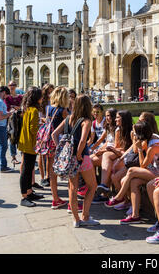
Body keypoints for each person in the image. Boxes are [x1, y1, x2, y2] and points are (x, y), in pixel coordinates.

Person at [105, 119, 159, 224]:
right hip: (156, 169)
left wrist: (140, 150)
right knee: (134, 182)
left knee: (131, 170)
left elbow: (142, 165)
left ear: (140, 134)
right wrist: (136, 143)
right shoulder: (150, 138)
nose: (133, 135)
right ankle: (135, 215)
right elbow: (135, 150)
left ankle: (119, 197)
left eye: (135, 133)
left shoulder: (153, 147)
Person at [52, 94, 99, 228]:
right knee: (92, 186)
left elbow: (54, 134)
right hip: (81, 158)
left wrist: (60, 151)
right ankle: (85, 216)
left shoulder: (68, 118)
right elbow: (83, 140)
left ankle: (76, 219)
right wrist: (78, 154)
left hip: (68, 158)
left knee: (72, 188)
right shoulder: (86, 121)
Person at [95, 110, 133, 200]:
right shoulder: (118, 129)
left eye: (117, 117)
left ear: (124, 119)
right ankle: (102, 188)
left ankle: (105, 188)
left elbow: (131, 148)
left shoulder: (131, 130)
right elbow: (116, 146)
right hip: (120, 153)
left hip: (127, 155)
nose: (115, 120)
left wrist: (114, 151)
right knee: (102, 158)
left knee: (107, 158)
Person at [18, 87, 44, 207]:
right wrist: (41, 127)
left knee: (28, 170)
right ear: (37, 98)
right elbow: (33, 130)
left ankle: (29, 192)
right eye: (41, 96)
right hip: (30, 145)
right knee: (27, 171)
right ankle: (24, 196)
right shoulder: (33, 110)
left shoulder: (27, 108)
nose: (42, 98)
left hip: (25, 142)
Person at [46, 86, 69, 209]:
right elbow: (69, 126)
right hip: (59, 143)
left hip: (49, 142)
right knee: (70, 171)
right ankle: (72, 201)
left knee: (52, 172)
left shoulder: (48, 108)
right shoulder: (63, 111)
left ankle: (55, 199)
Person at [38, 83, 54, 187]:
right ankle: (42, 177)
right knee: (41, 154)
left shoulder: (53, 101)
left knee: (49, 155)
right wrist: (45, 119)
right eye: (49, 91)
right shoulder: (41, 103)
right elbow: (39, 118)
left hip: (51, 129)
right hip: (42, 129)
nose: (50, 93)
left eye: (52, 91)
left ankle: (48, 176)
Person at [0, 86, 14, 172]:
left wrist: (7, 112)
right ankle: (2, 166)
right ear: (3, 92)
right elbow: (0, 117)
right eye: (6, 95)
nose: (6, 97)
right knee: (4, 146)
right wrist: (9, 114)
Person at [4, 80, 23, 165]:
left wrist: (14, 107)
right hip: (11, 120)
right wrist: (16, 107)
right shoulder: (7, 97)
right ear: (8, 86)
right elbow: (7, 108)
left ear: (16, 86)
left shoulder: (19, 97)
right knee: (12, 138)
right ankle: (13, 157)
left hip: (20, 119)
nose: (12, 86)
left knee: (21, 136)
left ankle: (23, 155)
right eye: (10, 85)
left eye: (13, 85)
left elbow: (22, 107)